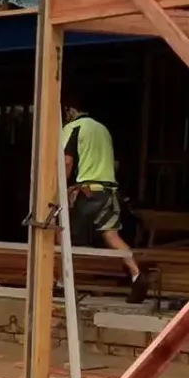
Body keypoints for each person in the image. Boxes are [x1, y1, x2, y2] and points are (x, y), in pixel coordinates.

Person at [60, 96, 146, 298]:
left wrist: (61, 190)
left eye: (65, 112)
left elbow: (66, 161)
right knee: (111, 235)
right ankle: (136, 274)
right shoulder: (103, 130)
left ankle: (64, 282)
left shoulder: (74, 127)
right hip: (109, 191)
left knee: (64, 234)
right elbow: (114, 163)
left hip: (88, 192)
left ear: (71, 110)